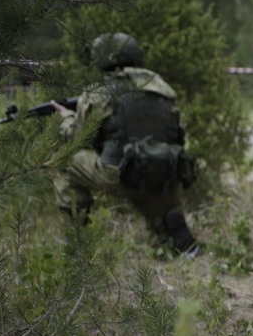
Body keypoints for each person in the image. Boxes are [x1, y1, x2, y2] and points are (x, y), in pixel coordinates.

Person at [54, 32, 198, 255]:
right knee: (166, 235)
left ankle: (76, 236)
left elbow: (78, 138)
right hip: (163, 175)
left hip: (119, 173)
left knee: (63, 160)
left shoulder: (99, 92)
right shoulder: (162, 87)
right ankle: (169, 227)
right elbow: (176, 132)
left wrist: (66, 117)